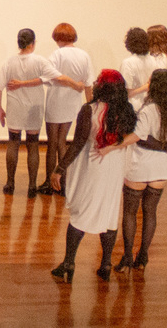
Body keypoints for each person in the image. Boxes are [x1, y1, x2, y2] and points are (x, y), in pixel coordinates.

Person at [49, 69, 137, 282]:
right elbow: (129, 137)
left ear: (101, 86)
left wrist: (60, 169)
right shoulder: (126, 110)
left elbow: (78, 143)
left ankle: (69, 263)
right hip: (115, 165)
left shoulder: (89, 109)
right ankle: (105, 264)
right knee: (109, 213)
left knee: (82, 212)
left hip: (93, 163)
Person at [103, 69, 167, 272]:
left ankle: (127, 258)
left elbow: (137, 135)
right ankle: (143, 257)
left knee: (130, 212)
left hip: (141, 163)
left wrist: (113, 146)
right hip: (161, 166)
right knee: (150, 213)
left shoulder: (148, 109)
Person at [0, 29, 84, 198]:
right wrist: (76, 85)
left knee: (13, 143)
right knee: (33, 145)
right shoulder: (40, 61)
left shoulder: (9, 62)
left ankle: (10, 183)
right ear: (33, 43)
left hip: (14, 107)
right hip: (34, 108)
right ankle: (31, 186)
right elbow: (59, 77)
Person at [40, 23, 95, 197]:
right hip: (73, 102)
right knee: (62, 141)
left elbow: (50, 75)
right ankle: (63, 183)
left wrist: (70, 83)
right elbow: (88, 83)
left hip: (56, 99)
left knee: (52, 143)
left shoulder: (57, 54)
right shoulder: (84, 55)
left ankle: (49, 182)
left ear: (59, 38)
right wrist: (91, 106)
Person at [120, 27, 152, 110]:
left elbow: (125, 92)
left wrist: (144, 87)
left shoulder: (128, 63)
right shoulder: (153, 61)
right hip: (150, 106)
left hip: (134, 107)